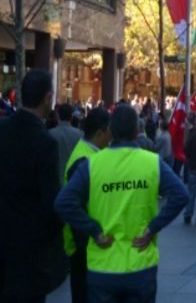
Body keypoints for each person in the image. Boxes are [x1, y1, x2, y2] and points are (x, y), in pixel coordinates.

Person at [55, 103, 189, 302]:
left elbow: (63, 203)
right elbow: (181, 195)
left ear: (112, 130)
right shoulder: (152, 162)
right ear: (137, 131)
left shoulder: (92, 164)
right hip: (140, 264)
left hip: (103, 266)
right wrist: (153, 227)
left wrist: (94, 230)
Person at [0, 70, 68, 301]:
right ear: (48, 98)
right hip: (29, 253)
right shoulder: (45, 143)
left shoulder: (2, 130)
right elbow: (51, 204)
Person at [62, 107, 113, 303]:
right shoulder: (84, 161)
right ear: (101, 132)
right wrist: (93, 235)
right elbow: (73, 207)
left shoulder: (88, 155)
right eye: (110, 131)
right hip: (84, 248)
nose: (111, 137)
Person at [50, 102, 85, 184]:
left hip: (55, 179)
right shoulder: (80, 134)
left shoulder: (49, 134)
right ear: (71, 116)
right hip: (75, 179)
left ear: (57, 115)